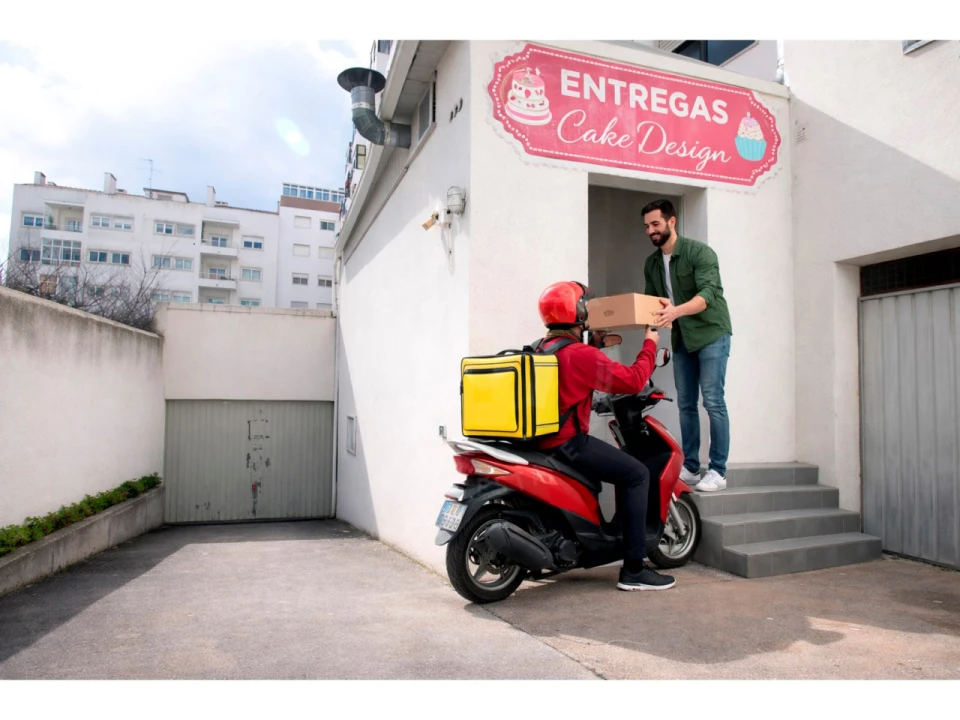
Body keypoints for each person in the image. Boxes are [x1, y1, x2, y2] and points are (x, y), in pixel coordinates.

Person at [533, 280, 676, 591]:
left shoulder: (540, 347)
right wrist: (650, 341)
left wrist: (595, 345)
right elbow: (634, 381)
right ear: (579, 312)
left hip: (542, 443)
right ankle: (635, 570)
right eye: (586, 306)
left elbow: (567, 379)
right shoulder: (581, 355)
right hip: (569, 444)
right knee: (637, 473)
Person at [641, 199, 733, 493]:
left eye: (655, 224)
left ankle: (718, 470)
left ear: (672, 221)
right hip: (683, 337)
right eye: (647, 226)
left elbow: (707, 295)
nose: (651, 231)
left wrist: (676, 311)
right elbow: (650, 306)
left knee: (713, 400)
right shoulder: (652, 263)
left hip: (711, 333)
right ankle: (692, 467)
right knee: (685, 403)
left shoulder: (700, 253)